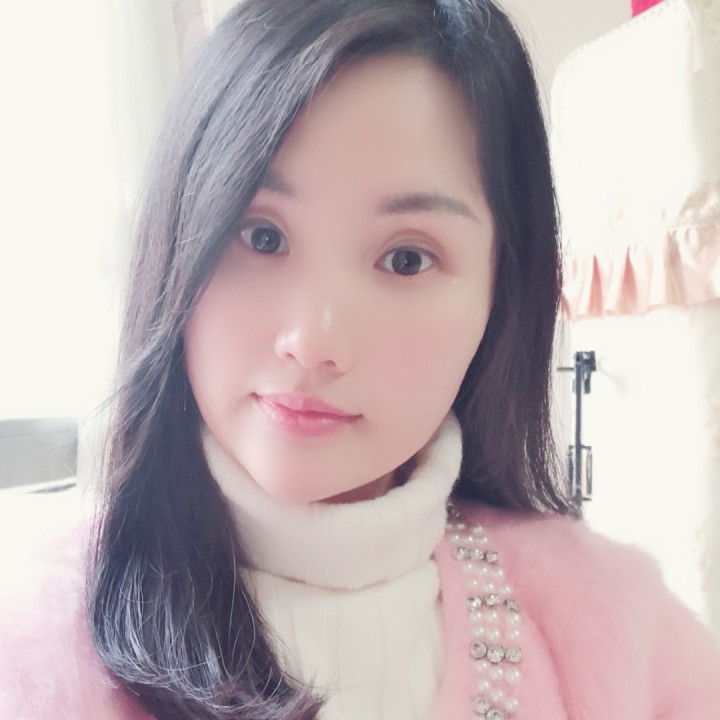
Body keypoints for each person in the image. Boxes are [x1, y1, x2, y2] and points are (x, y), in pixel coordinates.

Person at [1, 0, 719, 718]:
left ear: (500, 296)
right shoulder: (26, 647)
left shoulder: (632, 646)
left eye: (406, 259)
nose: (313, 341)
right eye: (261, 236)